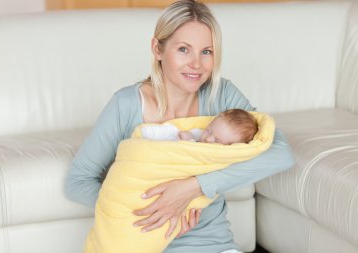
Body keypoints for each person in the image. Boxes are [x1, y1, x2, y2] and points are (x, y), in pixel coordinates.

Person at [65, 0, 295, 252]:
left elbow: (279, 152)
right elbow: (78, 181)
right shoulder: (127, 104)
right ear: (158, 49)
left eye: (206, 51)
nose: (196, 64)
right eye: (184, 49)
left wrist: (194, 187)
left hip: (212, 245)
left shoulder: (222, 96)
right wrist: (142, 210)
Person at [141, 109, 258, 145]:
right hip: (165, 147)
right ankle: (146, 134)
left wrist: (188, 141)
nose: (208, 139)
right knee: (172, 131)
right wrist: (189, 135)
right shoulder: (199, 134)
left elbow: (195, 153)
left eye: (217, 140)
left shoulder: (217, 156)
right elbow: (180, 133)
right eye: (209, 130)